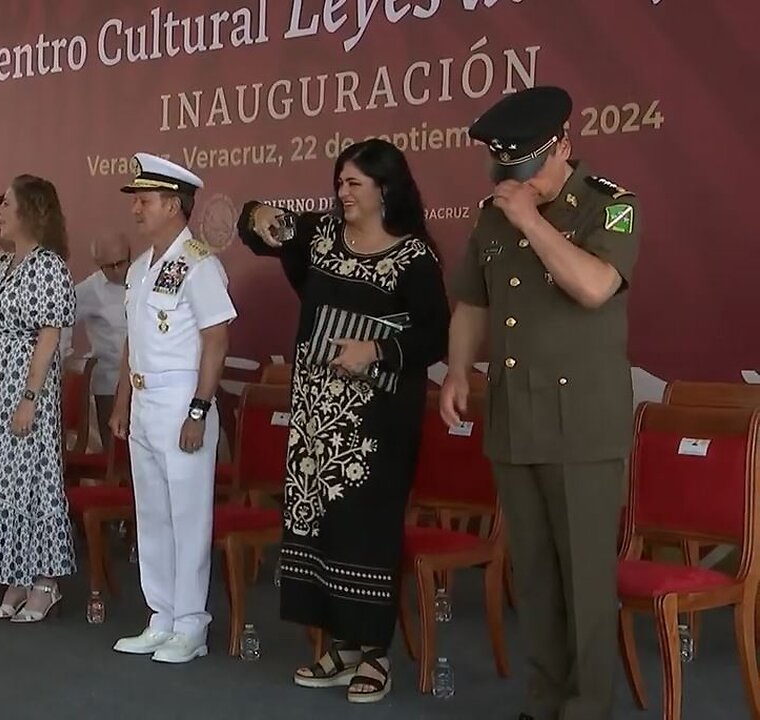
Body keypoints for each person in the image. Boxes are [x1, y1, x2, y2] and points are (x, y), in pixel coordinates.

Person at [440, 86, 640, 720]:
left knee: (584, 579)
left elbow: (593, 286)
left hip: (582, 427)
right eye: (508, 173)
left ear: (563, 148)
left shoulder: (612, 208)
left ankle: (585, 707)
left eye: (528, 170)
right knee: (534, 575)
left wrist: (531, 220)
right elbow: (474, 300)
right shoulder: (491, 215)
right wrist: (458, 372)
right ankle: (544, 697)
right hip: (515, 419)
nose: (517, 185)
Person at [239, 138, 451, 703]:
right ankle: (340, 645)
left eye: (355, 183)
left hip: (377, 421)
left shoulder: (414, 258)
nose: (343, 192)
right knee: (317, 522)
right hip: (313, 414)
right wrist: (259, 218)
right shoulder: (322, 238)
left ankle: (375, 653)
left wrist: (376, 350)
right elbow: (258, 227)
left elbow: (435, 334)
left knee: (365, 527)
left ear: (387, 188)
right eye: (339, 182)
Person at [109, 153, 236, 664]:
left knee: (187, 515)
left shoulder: (199, 262)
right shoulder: (140, 270)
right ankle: (160, 615)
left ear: (174, 205)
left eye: (145, 200)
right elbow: (130, 344)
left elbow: (217, 341)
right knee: (153, 515)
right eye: (137, 200)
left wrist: (200, 410)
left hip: (183, 399)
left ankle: (191, 623)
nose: (137, 210)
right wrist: (122, 402)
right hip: (144, 400)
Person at [0, 175, 77, 622]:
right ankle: (16, 575)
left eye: (6, 203)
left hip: (31, 388)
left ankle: (46, 579)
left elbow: (49, 336)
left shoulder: (48, 266)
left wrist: (29, 395)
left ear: (31, 210)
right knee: (0, 480)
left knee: (34, 479)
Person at [72, 232, 131, 447]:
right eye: (109, 266)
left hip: (144, 384)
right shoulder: (89, 290)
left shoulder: (141, 278)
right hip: (109, 383)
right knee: (115, 453)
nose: (117, 270)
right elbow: (59, 323)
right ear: (98, 264)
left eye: (121, 263)